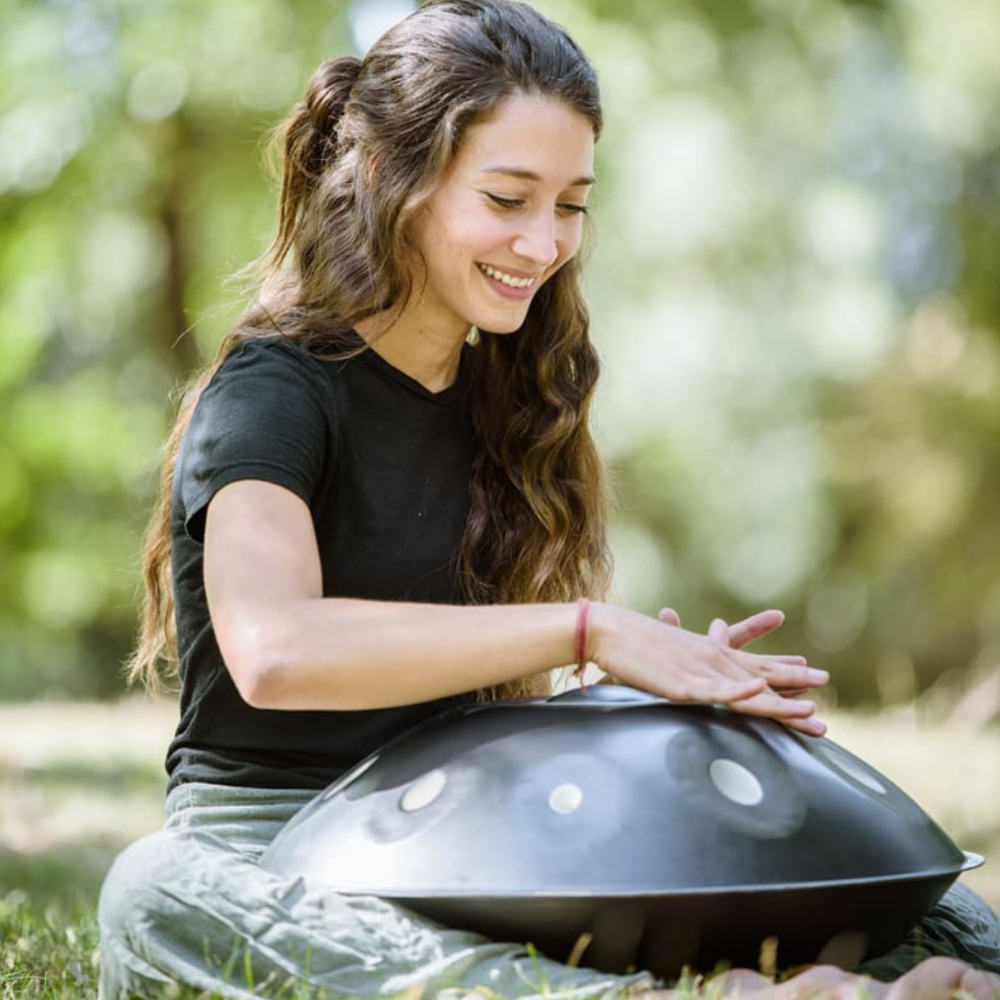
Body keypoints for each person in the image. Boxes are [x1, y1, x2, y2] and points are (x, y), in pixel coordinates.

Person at [98, 1, 1000, 997]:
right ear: (397, 183)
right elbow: (275, 652)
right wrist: (583, 631)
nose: (542, 242)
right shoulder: (273, 390)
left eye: (570, 204)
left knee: (941, 903)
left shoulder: (517, 397)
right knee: (150, 893)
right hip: (276, 847)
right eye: (507, 198)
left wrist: (656, 703)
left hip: (480, 845)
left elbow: (493, 704)